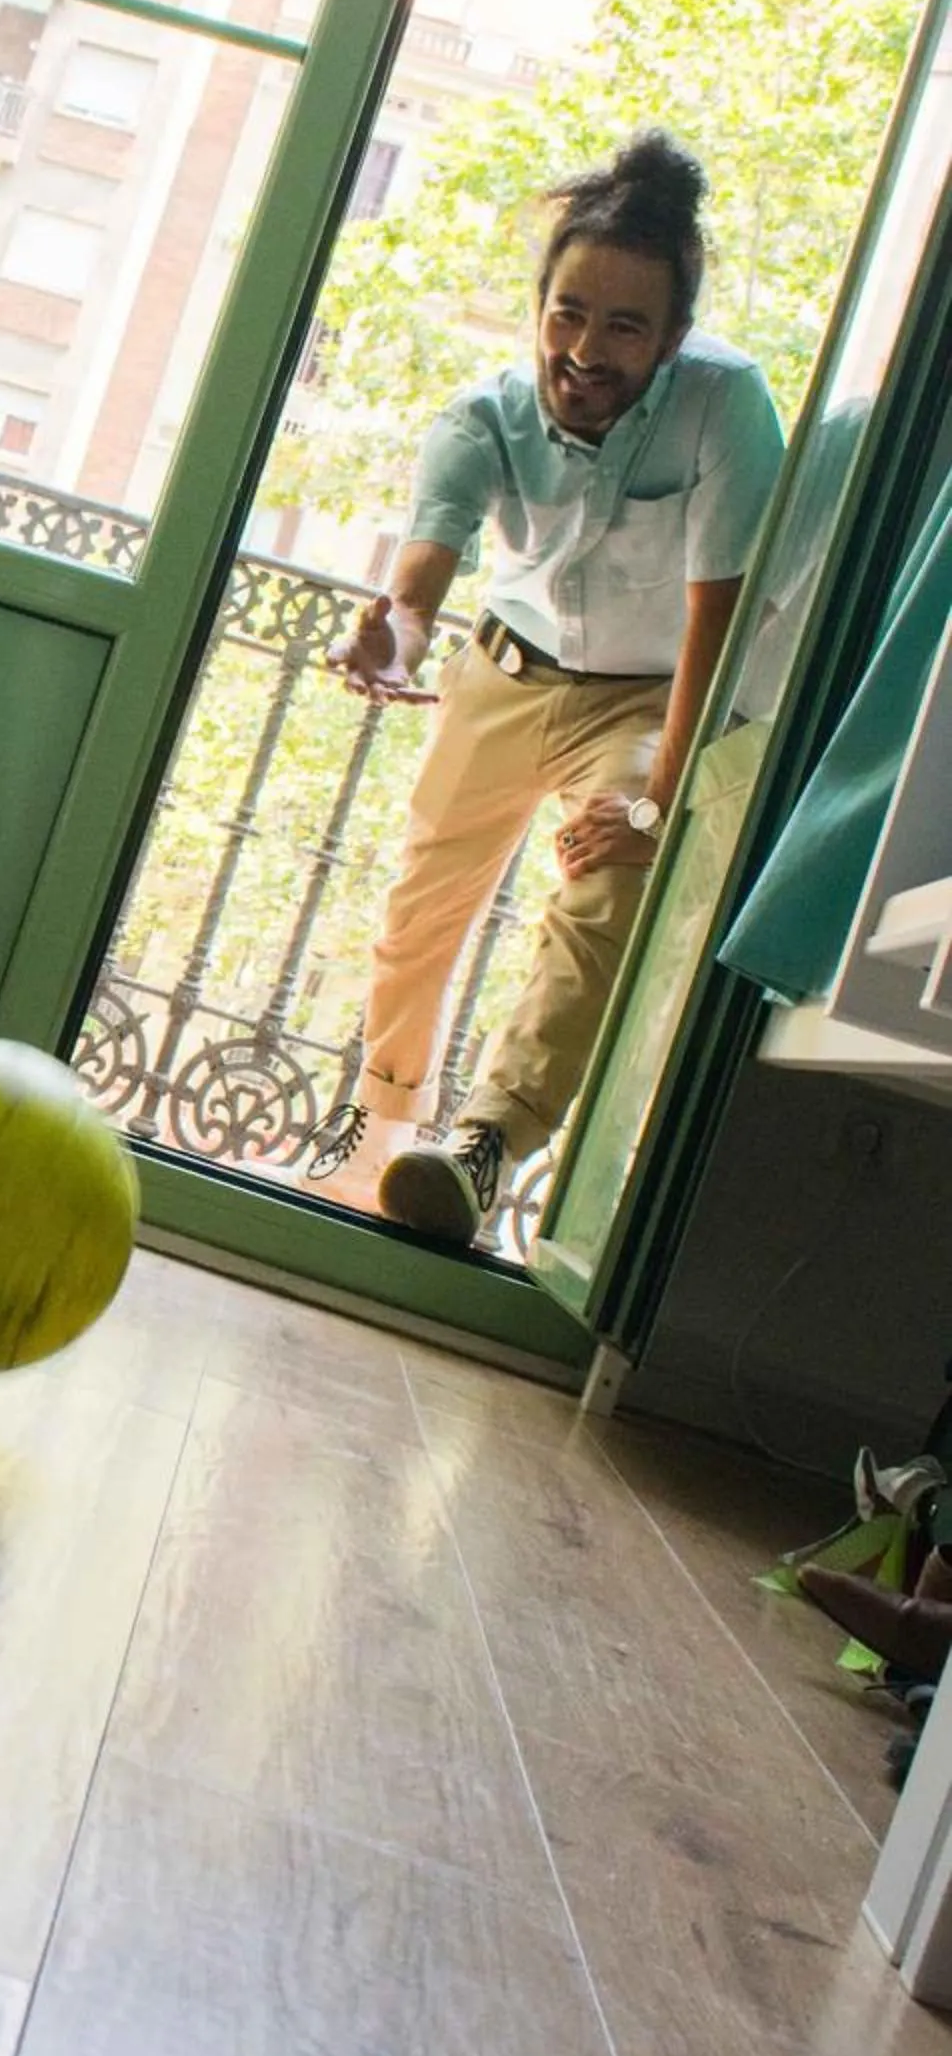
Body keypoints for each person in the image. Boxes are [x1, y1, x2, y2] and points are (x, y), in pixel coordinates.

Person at [299, 131, 787, 1244]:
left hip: (647, 694)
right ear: (540, 306)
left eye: (624, 327)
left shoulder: (727, 405)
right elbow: (422, 580)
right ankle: (377, 1126)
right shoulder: (485, 414)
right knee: (420, 908)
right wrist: (392, 643)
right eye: (568, 314)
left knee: (608, 882)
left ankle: (485, 1145)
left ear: (672, 339)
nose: (585, 349)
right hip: (505, 672)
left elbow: (716, 620)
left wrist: (658, 800)